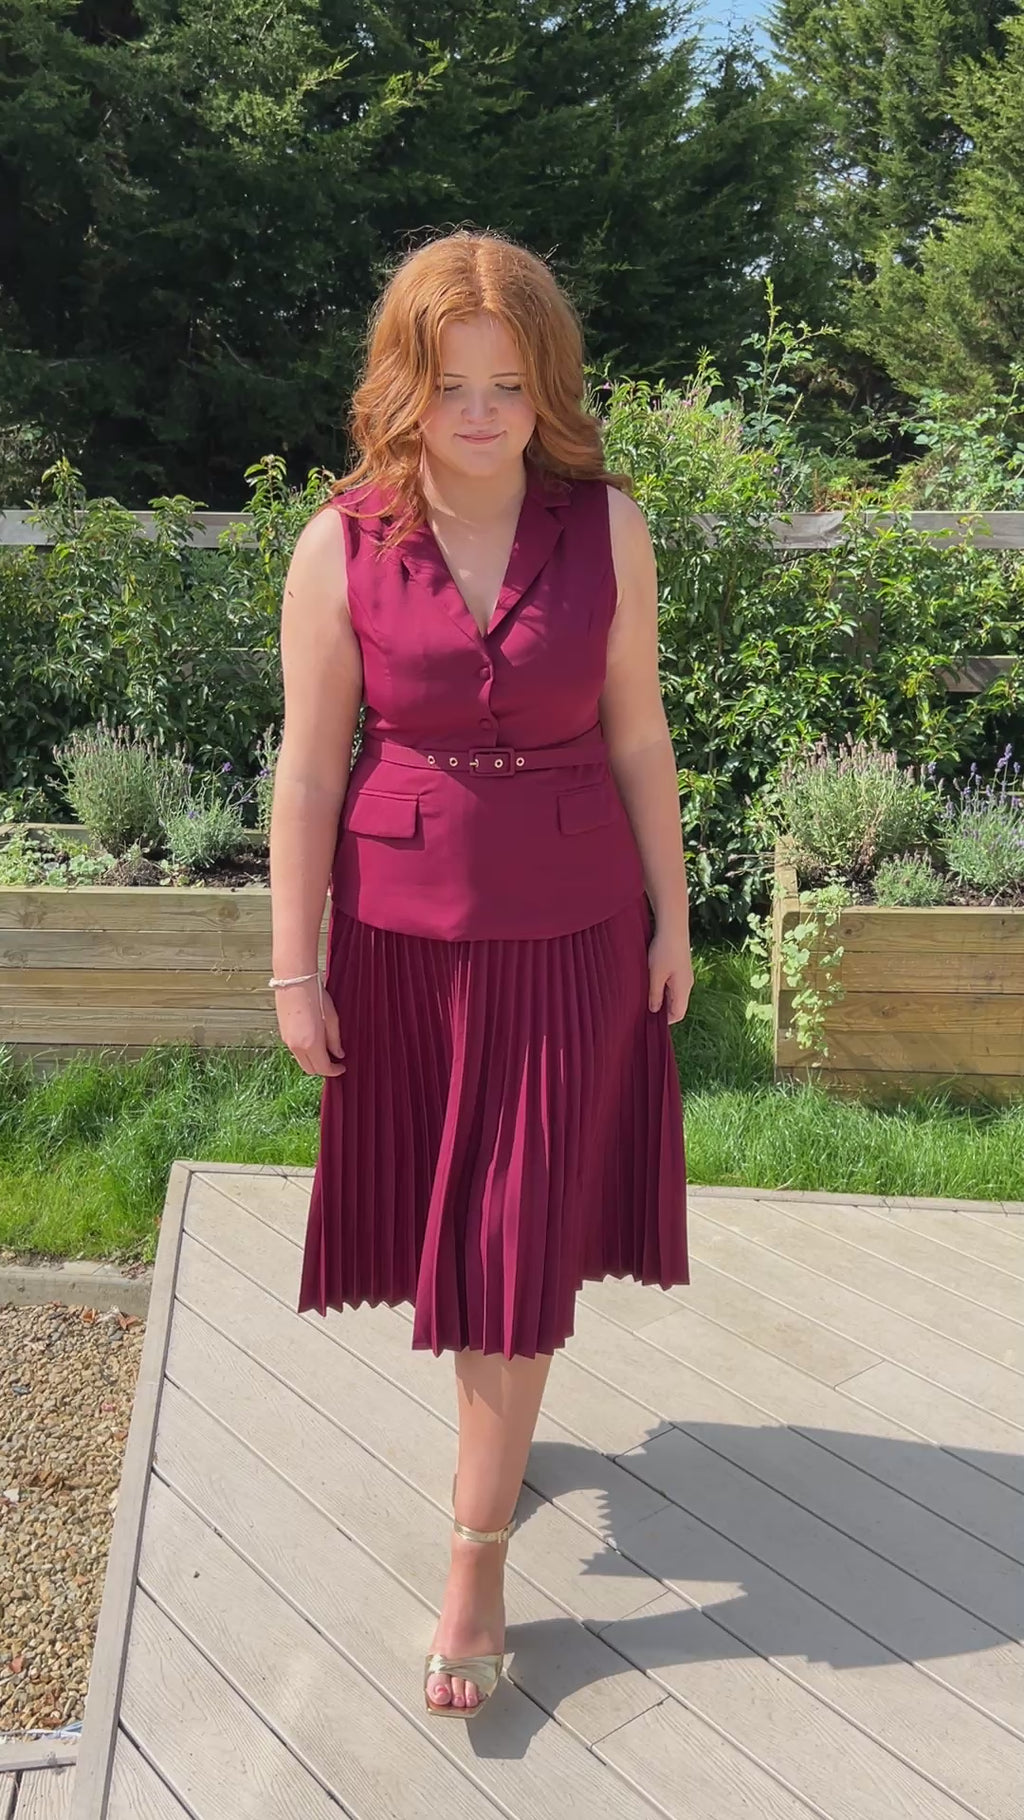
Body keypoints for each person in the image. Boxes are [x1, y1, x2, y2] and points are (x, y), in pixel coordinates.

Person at [268, 229, 692, 1721]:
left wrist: (675, 918)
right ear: (405, 384)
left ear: (547, 386)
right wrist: (293, 970)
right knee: (463, 1237)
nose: (483, 414)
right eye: (454, 386)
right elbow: (309, 770)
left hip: (574, 935)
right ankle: (499, 1449)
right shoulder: (339, 543)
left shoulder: (608, 526)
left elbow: (639, 730)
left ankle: (475, 1559)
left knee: (514, 1246)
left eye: (510, 385)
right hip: (402, 941)